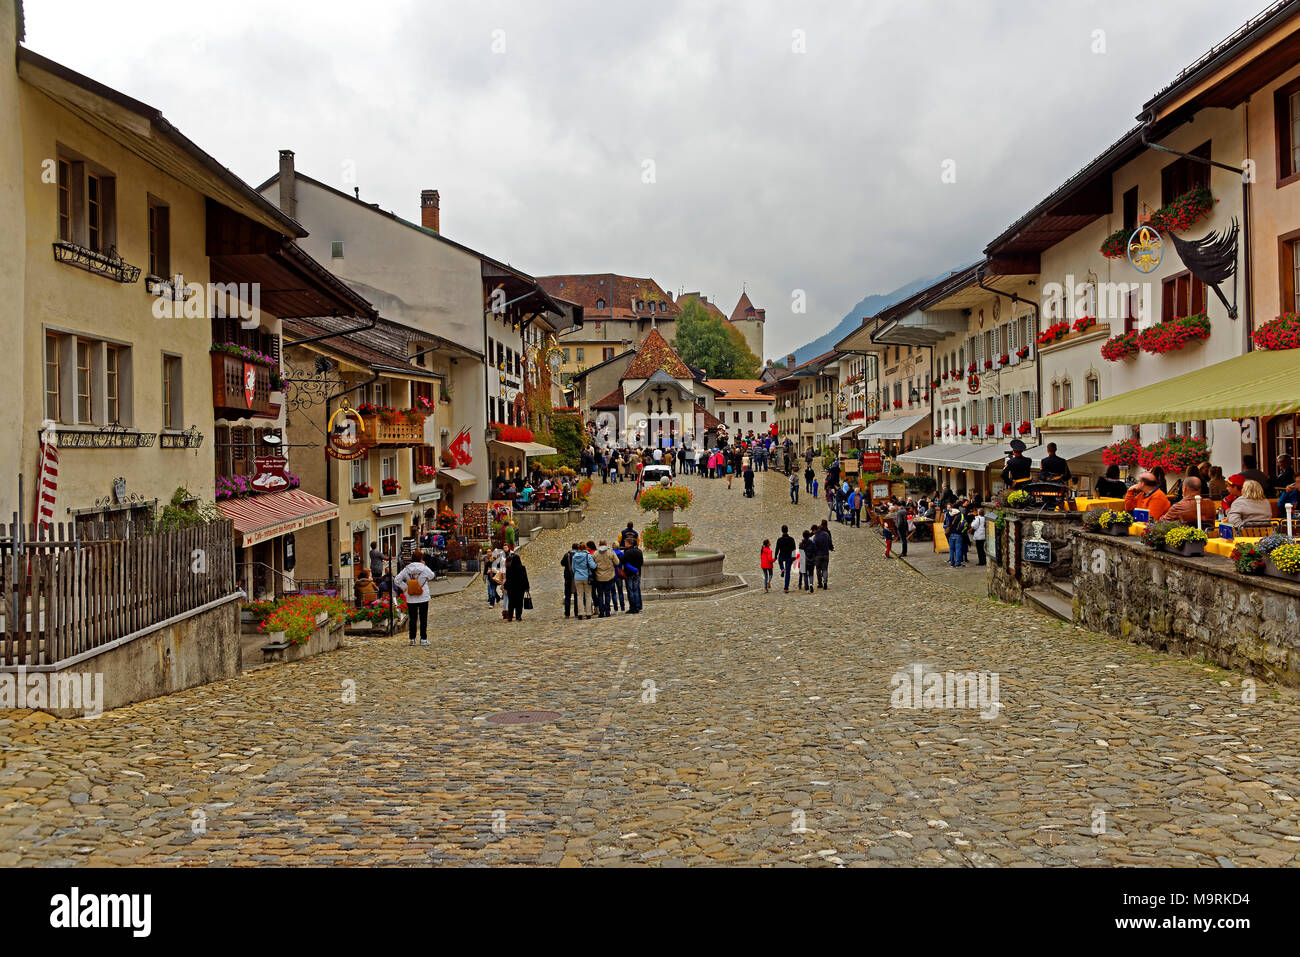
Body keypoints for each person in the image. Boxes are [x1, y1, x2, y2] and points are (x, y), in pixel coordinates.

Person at [392, 549, 435, 646]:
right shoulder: (424, 568)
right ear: (421, 558)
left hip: (411, 597)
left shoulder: (407, 569)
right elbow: (432, 576)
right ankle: (423, 639)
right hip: (423, 596)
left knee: (412, 618)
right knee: (423, 618)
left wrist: (406, 588)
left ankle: (412, 639)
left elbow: (397, 580)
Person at [592, 540, 620, 618]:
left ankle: (601, 612)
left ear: (599, 544)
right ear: (606, 544)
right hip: (609, 576)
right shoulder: (610, 552)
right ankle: (607, 611)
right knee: (607, 594)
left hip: (599, 577)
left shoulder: (595, 553)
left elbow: (592, 564)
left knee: (600, 595)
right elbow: (617, 562)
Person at [571, 541, 596, 620]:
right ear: (585, 548)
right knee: (588, 595)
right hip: (586, 577)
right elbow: (592, 565)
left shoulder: (575, 556)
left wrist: (577, 573)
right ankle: (588, 612)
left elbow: (573, 568)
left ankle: (580, 613)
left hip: (577, 577)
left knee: (580, 596)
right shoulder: (587, 555)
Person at [503, 552, 530, 622]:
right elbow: (525, 578)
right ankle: (518, 616)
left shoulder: (509, 568)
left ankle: (510, 617)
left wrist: (506, 586)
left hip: (511, 588)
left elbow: (508, 578)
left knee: (511, 603)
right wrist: (527, 587)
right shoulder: (522, 568)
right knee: (519, 602)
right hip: (520, 588)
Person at [775, 525, 796, 593]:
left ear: (782, 531)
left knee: (779, 560)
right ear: (787, 530)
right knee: (788, 573)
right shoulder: (791, 539)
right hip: (789, 557)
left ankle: (782, 568)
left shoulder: (779, 540)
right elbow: (794, 549)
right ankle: (786, 588)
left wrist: (775, 556)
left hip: (782, 556)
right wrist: (794, 558)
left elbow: (777, 549)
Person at [814, 521, 832, 589]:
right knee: (825, 569)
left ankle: (820, 583)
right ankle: (825, 581)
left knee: (818, 569)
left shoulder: (815, 537)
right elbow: (830, 543)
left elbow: (814, 547)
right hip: (826, 554)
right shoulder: (826, 534)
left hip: (818, 555)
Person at [560, 544, 577, 618]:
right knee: (577, 596)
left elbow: (562, 563)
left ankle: (567, 613)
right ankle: (576, 612)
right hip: (576, 577)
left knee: (567, 596)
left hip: (568, 577)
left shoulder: (567, 555)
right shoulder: (578, 555)